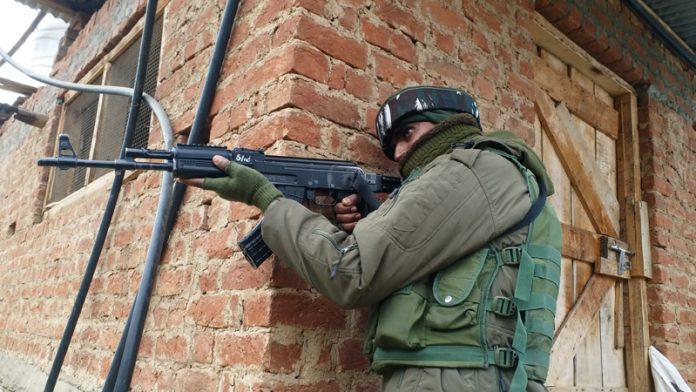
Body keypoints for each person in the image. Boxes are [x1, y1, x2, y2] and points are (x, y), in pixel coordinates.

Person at [180, 86, 562, 392]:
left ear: (447, 125)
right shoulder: (491, 175)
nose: (397, 153)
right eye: (393, 143)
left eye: (408, 133)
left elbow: (351, 272)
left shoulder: (479, 169)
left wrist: (264, 197)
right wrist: (375, 224)